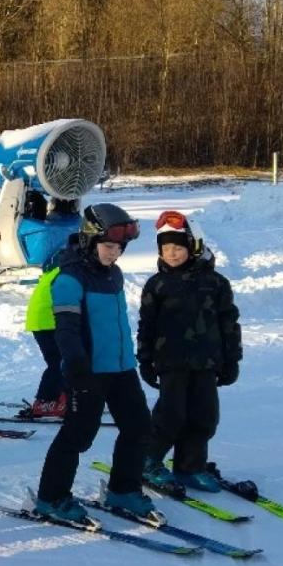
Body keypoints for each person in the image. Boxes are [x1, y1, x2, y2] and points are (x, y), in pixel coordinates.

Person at [33, 204, 155, 524]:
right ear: (90, 241)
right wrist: (75, 363)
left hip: (121, 368)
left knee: (139, 427)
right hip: (88, 371)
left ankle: (123, 490)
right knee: (78, 435)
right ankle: (52, 497)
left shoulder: (113, 274)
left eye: (119, 248)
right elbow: (67, 328)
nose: (114, 254)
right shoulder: (69, 279)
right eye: (109, 246)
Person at [137, 211, 242, 493]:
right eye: (165, 248)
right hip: (170, 362)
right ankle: (149, 461)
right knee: (170, 415)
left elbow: (229, 323)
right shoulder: (156, 285)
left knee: (205, 416)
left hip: (207, 363)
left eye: (178, 247)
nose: (171, 254)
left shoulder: (216, 283)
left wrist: (232, 360)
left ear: (193, 247)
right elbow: (146, 325)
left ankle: (189, 466)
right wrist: (145, 359)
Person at [20, 195, 83, 419]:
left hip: (48, 317)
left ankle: (64, 396)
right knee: (58, 362)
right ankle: (45, 402)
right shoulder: (69, 267)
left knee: (66, 359)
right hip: (46, 319)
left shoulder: (64, 261)